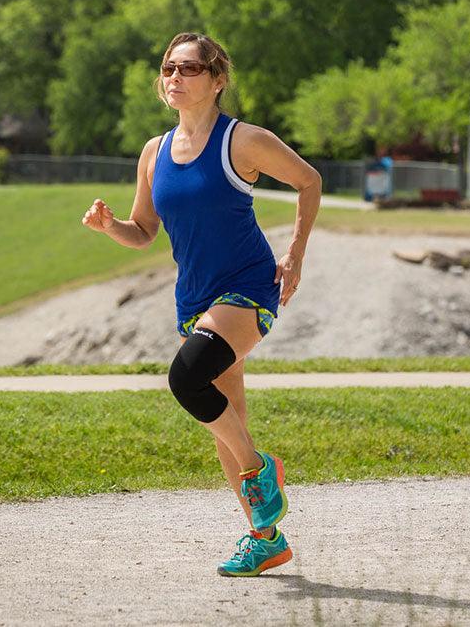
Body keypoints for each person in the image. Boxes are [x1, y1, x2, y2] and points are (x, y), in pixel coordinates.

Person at [80, 31, 320, 577]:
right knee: (225, 421)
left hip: (247, 286)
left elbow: (310, 181)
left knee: (187, 379)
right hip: (194, 298)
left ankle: (263, 470)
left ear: (217, 80)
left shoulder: (243, 141)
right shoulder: (154, 153)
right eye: (168, 69)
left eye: (188, 69)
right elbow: (143, 231)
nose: (174, 78)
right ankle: (266, 538)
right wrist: (108, 225)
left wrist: (296, 254)